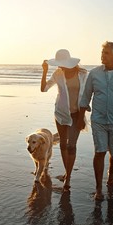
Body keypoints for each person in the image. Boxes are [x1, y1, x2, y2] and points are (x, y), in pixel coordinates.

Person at [77, 41, 113, 200]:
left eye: (106, 53)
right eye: (102, 52)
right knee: (99, 151)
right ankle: (98, 188)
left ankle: (111, 174)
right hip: (98, 121)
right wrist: (81, 118)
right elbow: (85, 97)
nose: (102, 55)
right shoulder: (94, 73)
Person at [41, 49, 88, 192]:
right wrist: (45, 71)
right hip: (61, 114)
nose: (59, 66)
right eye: (58, 64)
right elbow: (44, 89)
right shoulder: (58, 74)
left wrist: (82, 117)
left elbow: (87, 96)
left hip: (77, 115)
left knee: (71, 146)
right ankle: (67, 174)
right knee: (62, 144)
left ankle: (68, 177)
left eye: (61, 64)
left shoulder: (83, 75)